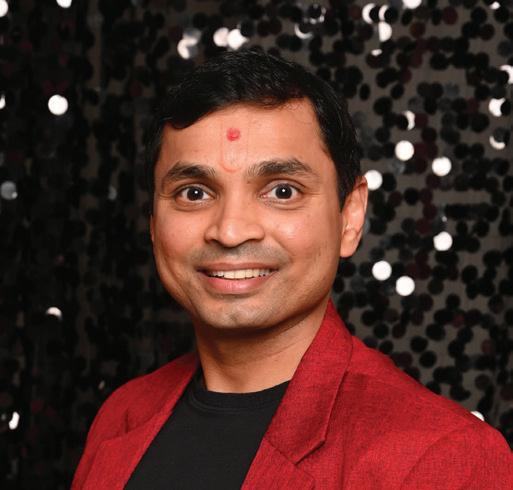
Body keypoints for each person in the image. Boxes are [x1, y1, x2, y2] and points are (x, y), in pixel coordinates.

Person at [71, 48, 512, 490]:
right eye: (194, 193)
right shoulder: (121, 416)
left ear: (350, 217)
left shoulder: (445, 457)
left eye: (282, 191)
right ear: (152, 222)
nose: (230, 231)